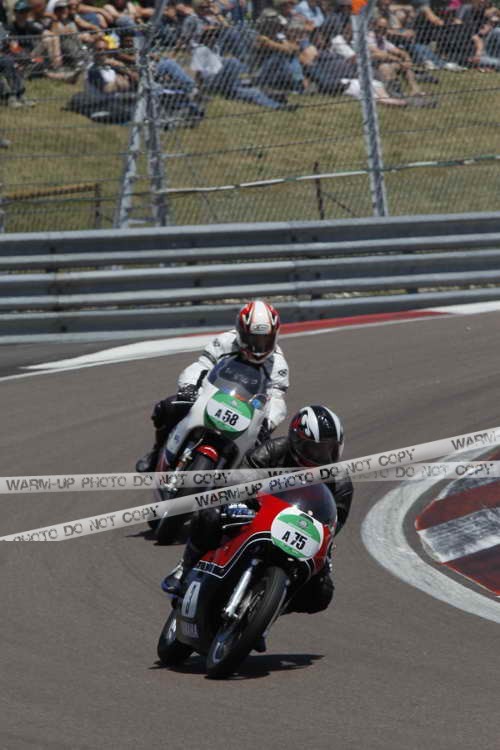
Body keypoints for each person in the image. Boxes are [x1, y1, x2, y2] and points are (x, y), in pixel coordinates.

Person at [163, 405, 352, 626]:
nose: (321, 456)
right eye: (314, 449)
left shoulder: (341, 483)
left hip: (300, 531)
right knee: (209, 515)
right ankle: (184, 568)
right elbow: (237, 480)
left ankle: (267, 606)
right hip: (258, 513)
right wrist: (244, 498)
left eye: (329, 450)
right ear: (296, 442)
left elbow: (334, 524)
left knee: (322, 592)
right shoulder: (274, 450)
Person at [136, 299, 288, 473]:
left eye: (265, 340)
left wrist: (268, 422)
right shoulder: (225, 342)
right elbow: (202, 366)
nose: (258, 347)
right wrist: (189, 387)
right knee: (167, 407)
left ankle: (238, 487)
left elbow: (276, 399)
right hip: (211, 395)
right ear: (240, 332)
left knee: (261, 451)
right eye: (252, 339)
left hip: (249, 411)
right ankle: (156, 453)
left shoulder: (278, 365)